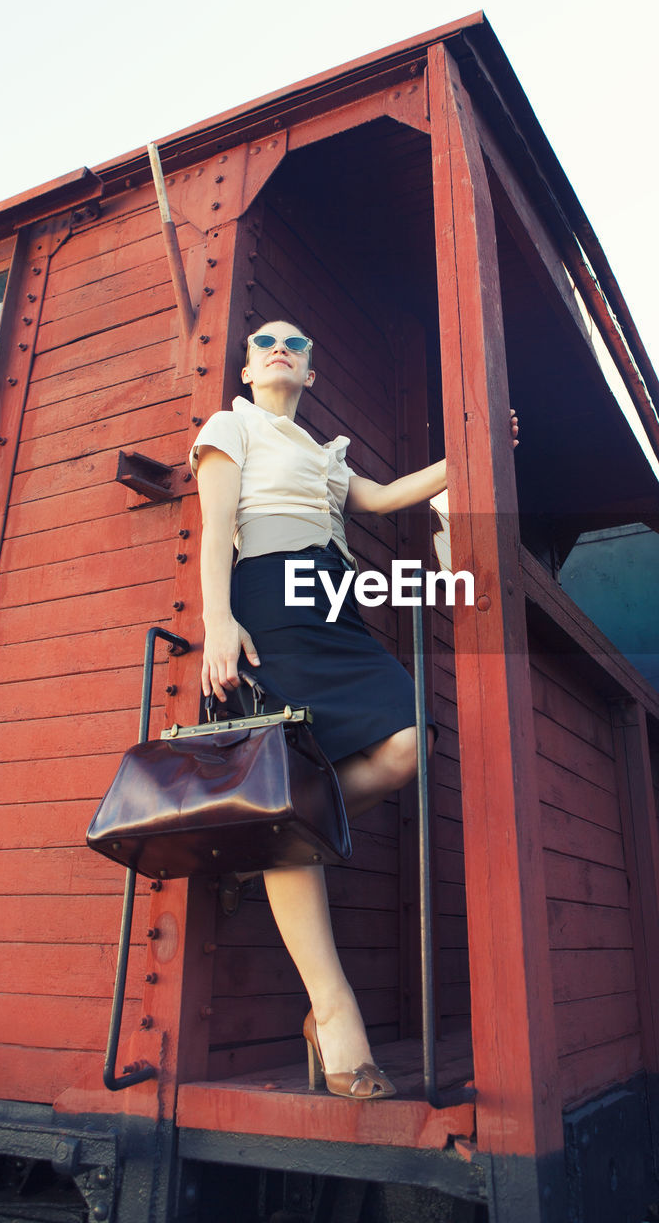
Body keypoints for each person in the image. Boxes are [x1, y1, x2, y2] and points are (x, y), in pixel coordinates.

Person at [192, 319, 517, 1099]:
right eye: (265, 341)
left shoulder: (325, 454)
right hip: (268, 601)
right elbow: (215, 529)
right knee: (293, 782)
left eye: (297, 345)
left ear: (311, 373)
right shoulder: (230, 425)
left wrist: (475, 452)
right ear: (246, 365)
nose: (280, 348)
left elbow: (385, 497)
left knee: (409, 741)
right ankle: (334, 1015)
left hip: (333, 604)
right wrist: (218, 621)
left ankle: (266, 842)